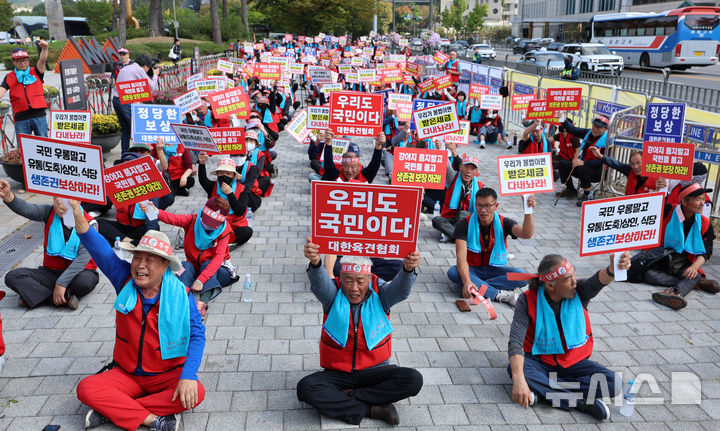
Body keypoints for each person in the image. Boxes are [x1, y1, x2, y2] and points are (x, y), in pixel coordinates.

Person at [69, 201, 205, 431]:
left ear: (164, 265)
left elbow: (197, 335)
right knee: (86, 388)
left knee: (195, 392)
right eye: (137, 258)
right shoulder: (123, 278)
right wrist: (76, 212)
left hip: (167, 374)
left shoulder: (181, 294)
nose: (140, 265)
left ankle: (113, 410)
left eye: (149, 259)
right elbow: (97, 246)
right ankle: (153, 419)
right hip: (126, 373)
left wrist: (189, 375)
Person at [297, 238, 423, 426]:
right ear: (342, 279)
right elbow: (319, 284)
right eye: (348, 280)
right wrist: (315, 263)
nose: (354, 288)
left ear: (369, 279)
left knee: (413, 379)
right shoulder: (333, 294)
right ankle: (371, 407)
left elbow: (402, 291)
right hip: (339, 374)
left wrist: (408, 269)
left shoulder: (381, 294)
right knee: (306, 387)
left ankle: (349, 397)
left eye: (360, 281)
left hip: (375, 372)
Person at [507, 252, 631, 420]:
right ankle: (579, 402)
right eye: (567, 278)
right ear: (551, 286)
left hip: (574, 363)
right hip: (539, 361)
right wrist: (518, 378)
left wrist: (613, 268)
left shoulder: (579, 290)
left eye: (573, 275)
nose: (574, 281)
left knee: (613, 383)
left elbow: (598, 280)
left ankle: (544, 393)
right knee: (516, 370)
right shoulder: (526, 300)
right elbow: (515, 341)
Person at [0, 180, 99, 309]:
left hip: (80, 272)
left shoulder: (90, 224)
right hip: (51, 272)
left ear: (78, 201)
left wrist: (61, 283)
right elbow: (27, 209)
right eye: (56, 198)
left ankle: (37, 295)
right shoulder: (48, 212)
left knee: (84, 283)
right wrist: (8, 196)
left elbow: (82, 259)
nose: (59, 202)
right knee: (12, 276)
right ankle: (62, 298)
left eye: (64, 199)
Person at [633, 183, 719, 309]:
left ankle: (674, 293)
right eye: (698, 199)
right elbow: (646, 208)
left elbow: (706, 252)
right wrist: (657, 188)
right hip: (662, 258)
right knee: (648, 274)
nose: (702, 203)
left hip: (684, 263)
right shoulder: (668, 210)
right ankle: (696, 283)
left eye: (703, 199)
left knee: (693, 273)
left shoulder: (705, 224)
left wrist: (694, 267)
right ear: (684, 202)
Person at [141, 198, 237, 306]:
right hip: (196, 268)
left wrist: (201, 280)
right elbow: (173, 219)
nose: (209, 228)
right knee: (184, 266)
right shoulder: (192, 221)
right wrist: (156, 211)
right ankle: (181, 299)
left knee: (207, 263)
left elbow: (218, 258)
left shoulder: (224, 230)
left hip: (219, 270)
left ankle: (202, 303)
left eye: (214, 225)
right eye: (207, 223)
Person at [447, 187, 535, 306]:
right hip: (472, 269)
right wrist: (467, 280)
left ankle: (477, 286)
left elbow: (526, 233)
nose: (483, 210)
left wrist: (528, 210)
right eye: (479, 205)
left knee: (523, 276)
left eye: (488, 205)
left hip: (494, 269)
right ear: (475, 205)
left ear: (496, 206)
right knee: (453, 272)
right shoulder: (464, 224)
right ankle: (498, 294)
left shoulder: (504, 222)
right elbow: (461, 258)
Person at [197, 157, 253, 247]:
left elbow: (240, 211)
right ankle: (221, 240)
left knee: (247, 232)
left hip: (234, 224)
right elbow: (203, 180)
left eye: (228, 173)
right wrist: (202, 164)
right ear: (218, 174)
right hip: (215, 223)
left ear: (233, 176)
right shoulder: (213, 186)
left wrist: (230, 194)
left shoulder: (242, 190)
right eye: (221, 173)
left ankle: (220, 240)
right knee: (198, 223)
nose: (224, 176)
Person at [556, 115, 610, 206]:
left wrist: (583, 162)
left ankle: (587, 194)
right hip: (584, 167)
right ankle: (571, 190)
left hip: (600, 172)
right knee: (562, 164)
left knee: (583, 168)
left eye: (599, 127)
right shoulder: (588, 132)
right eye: (594, 125)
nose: (595, 129)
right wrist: (563, 119)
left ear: (605, 129)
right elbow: (573, 129)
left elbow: (602, 161)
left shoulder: (608, 141)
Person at [112, 54, 160, 153]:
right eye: (148, 68)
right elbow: (151, 86)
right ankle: (142, 155)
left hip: (117, 100)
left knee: (126, 130)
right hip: (125, 102)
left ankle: (125, 155)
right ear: (145, 66)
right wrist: (155, 75)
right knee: (138, 129)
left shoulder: (127, 68)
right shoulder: (139, 69)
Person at [0, 44, 49, 138]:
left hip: (39, 115)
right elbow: (1, 91)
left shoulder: (36, 71)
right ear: (13, 62)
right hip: (21, 118)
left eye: (24, 60)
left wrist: (45, 48)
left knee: (44, 144)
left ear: (28, 60)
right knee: (23, 148)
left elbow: (42, 60)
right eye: (19, 61)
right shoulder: (9, 76)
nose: (22, 63)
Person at [431, 156, 483, 242]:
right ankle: (462, 238)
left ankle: (453, 236)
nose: (469, 171)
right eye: (466, 167)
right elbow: (445, 163)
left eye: (473, 168)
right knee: (436, 220)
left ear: (476, 172)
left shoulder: (480, 187)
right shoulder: (453, 177)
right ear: (460, 167)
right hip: (450, 218)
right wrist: (441, 147)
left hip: (467, 221)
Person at [590, 148, 667, 195]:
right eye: (632, 164)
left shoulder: (659, 178)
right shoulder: (630, 170)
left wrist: (661, 187)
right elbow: (616, 164)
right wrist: (600, 156)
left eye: (638, 163)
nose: (635, 167)